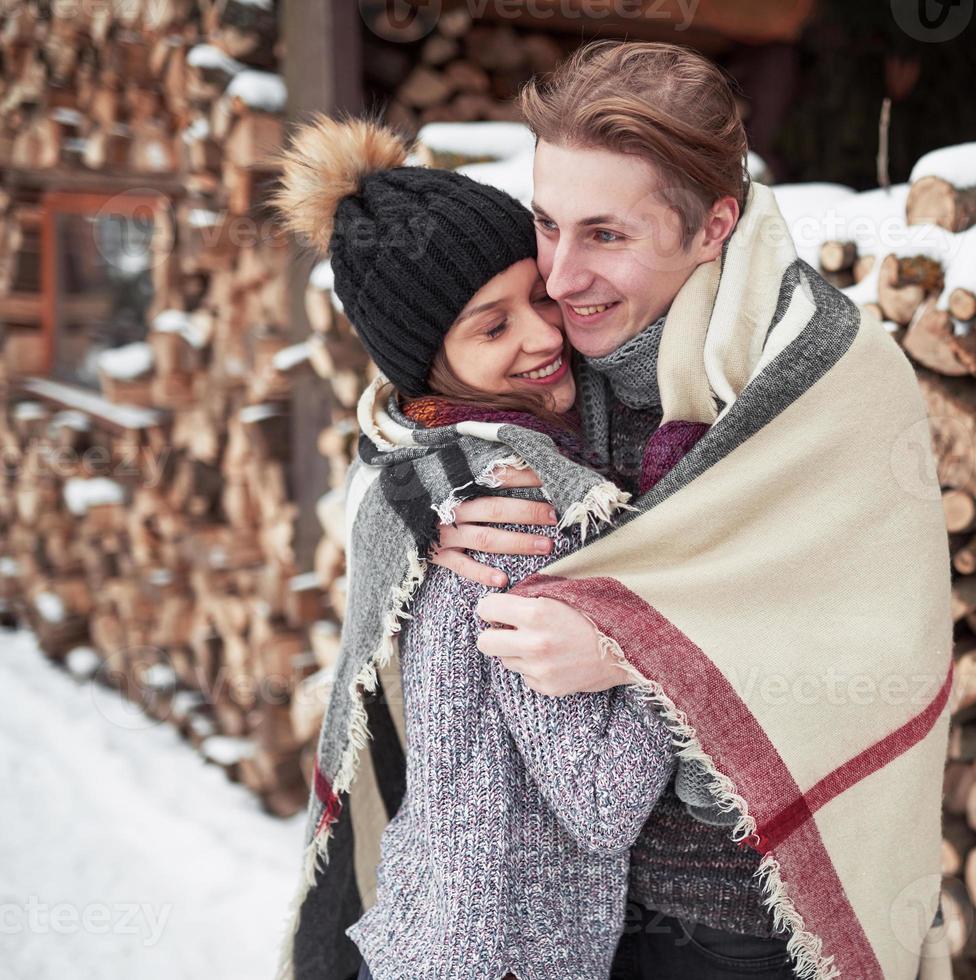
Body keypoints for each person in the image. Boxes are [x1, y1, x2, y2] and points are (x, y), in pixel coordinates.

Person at [432, 41, 956, 980]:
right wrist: (422, 508)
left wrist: (636, 652)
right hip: (547, 908)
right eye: (547, 224)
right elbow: (403, 417)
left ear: (714, 225)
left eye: (607, 235)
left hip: (743, 918)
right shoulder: (544, 359)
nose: (557, 277)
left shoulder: (826, 378)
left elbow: (881, 648)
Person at [269, 114, 683, 980]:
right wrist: (673, 632)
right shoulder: (514, 511)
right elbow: (601, 800)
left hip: (443, 930)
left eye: (538, 296)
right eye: (491, 328)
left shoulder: (439, 471)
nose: (540, 335)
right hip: (502, 954)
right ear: (429, 363)